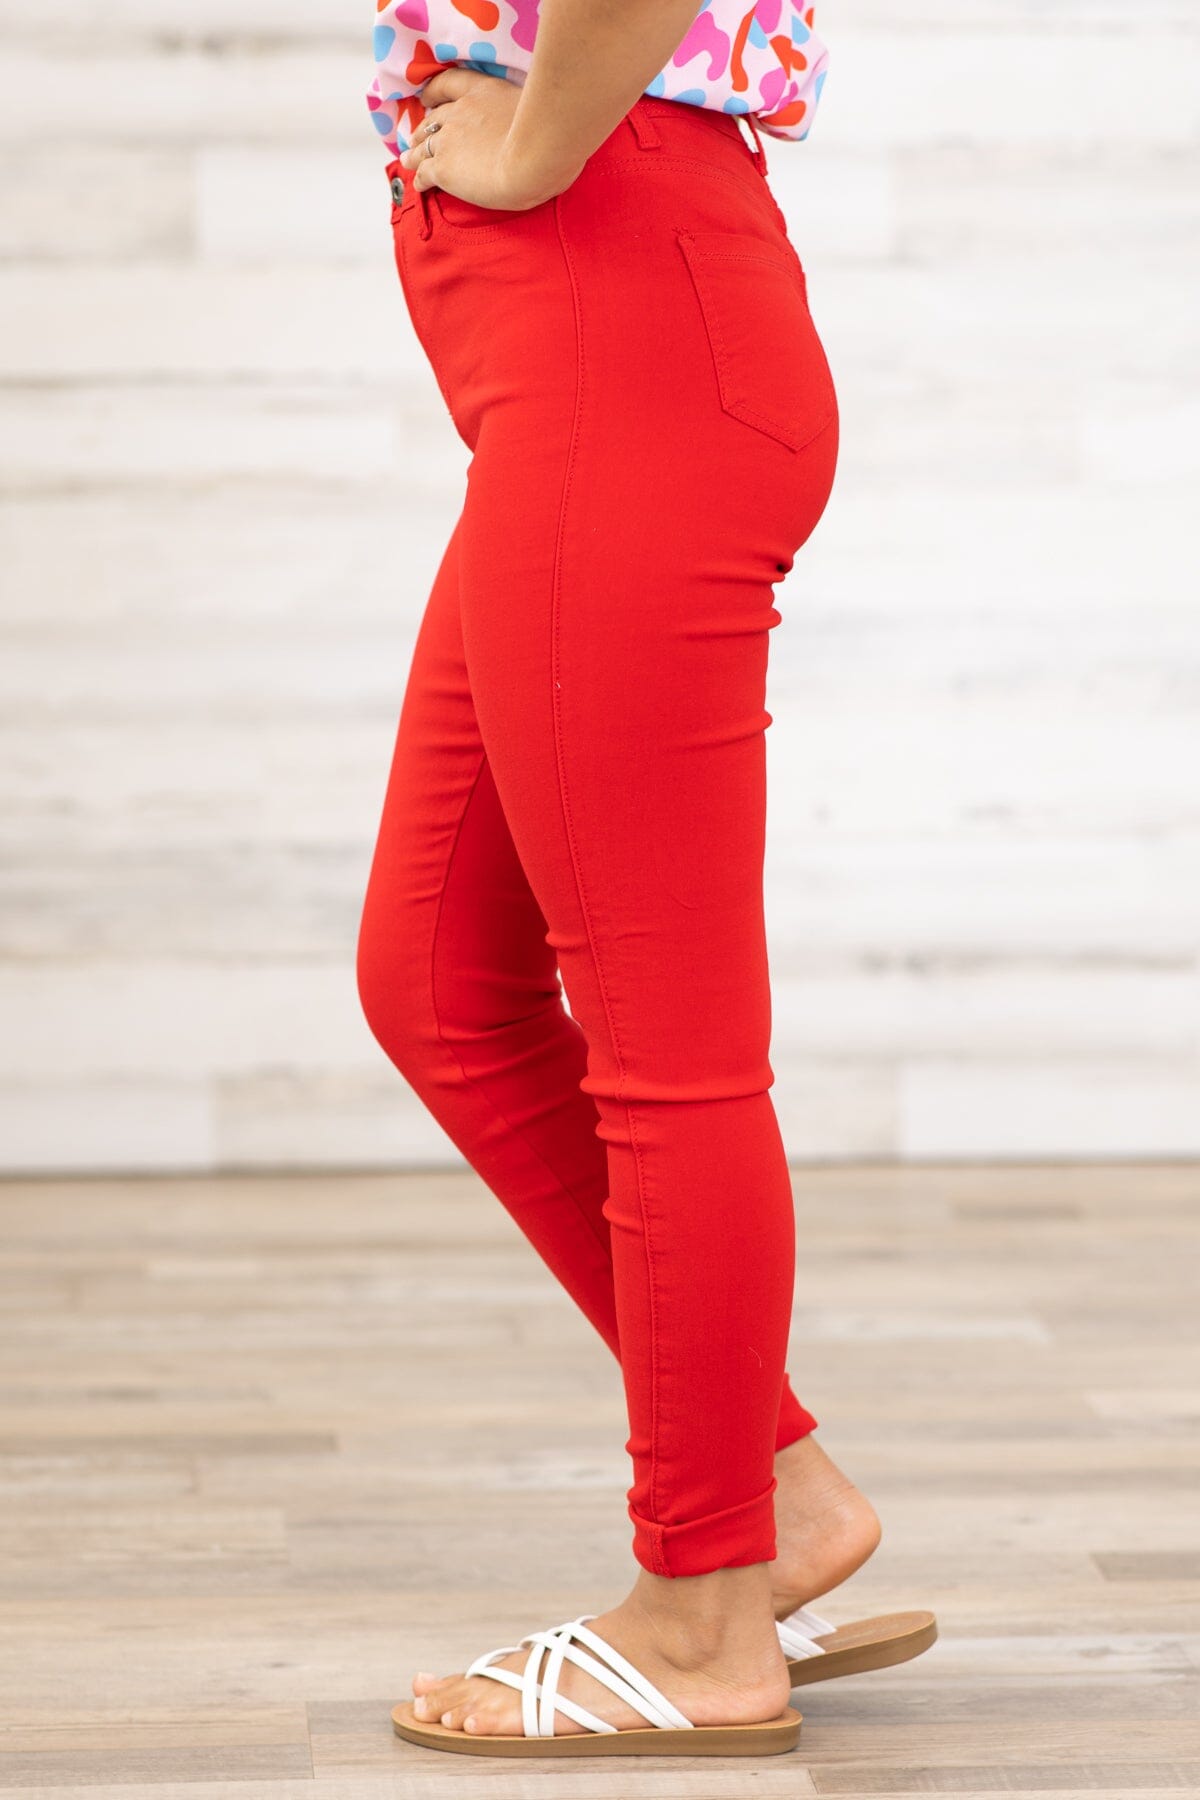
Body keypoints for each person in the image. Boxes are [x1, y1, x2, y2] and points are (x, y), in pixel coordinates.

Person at [356, 0, 935, 1759]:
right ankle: (772, 1486)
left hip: (620, 313)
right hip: (588, 334)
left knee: (667, 1046)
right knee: (439, 982)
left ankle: (701, 1619)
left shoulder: (570, 180)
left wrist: (533, 143)